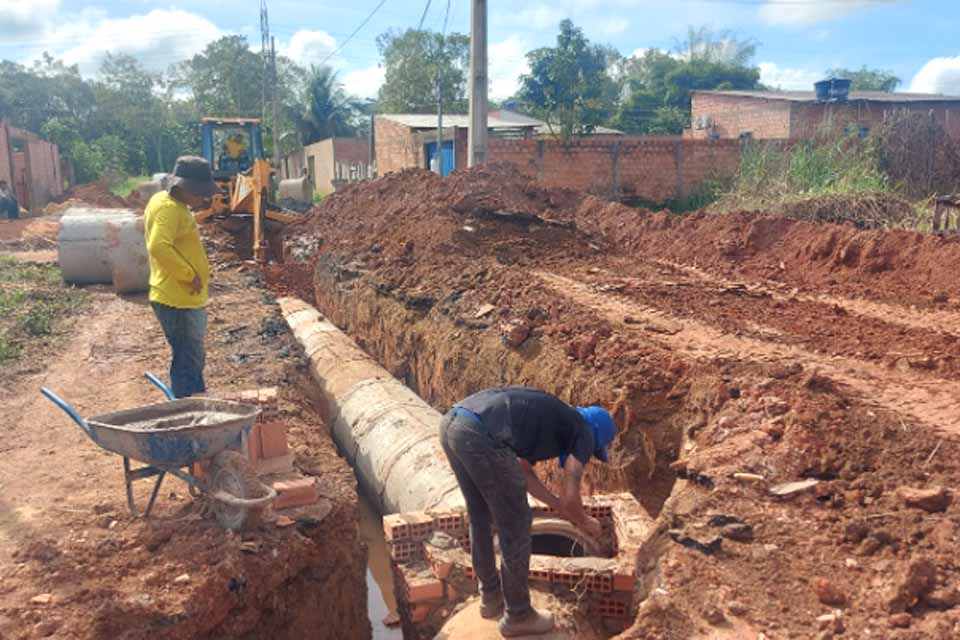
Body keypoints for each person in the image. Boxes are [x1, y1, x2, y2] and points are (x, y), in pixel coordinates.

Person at [439, 387, 616, 637]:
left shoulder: (547, 418)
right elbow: (571, 493)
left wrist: (557, 505)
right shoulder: (583, 431)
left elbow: (523, 472)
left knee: (480, 515)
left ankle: (490, 598)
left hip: (453, 423)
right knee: (517, 523)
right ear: (597, 435)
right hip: (478, 435)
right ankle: (519, 615)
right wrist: (585, 522)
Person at [144, 156, 217, 398]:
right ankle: (188, 410)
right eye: (200, 193)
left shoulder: (168, 203)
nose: (203, 199)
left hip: (180, 298)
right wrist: (189, 276)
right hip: (178, 299)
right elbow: (158, 246)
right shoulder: (169, 209)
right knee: (188, 358)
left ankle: (195, 402)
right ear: (184, 188)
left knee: (190, 355)